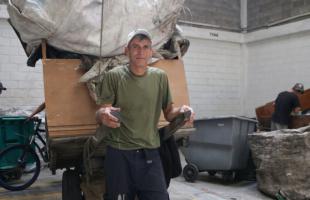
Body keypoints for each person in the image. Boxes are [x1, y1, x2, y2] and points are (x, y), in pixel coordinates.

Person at [95, 29, 194, 200]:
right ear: (127, 50)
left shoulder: (160, 77)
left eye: (145, 46)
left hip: (150, 152)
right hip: (119, 154)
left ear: (151, 51)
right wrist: (102, 115)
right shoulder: (114, 76)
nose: (140, 51)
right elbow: (104, 112)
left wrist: (183, 111)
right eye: (135, 46)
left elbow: (169, 113)